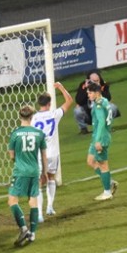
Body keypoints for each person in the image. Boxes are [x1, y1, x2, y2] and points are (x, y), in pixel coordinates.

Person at [31, 82, 73, 221]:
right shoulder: (54, 114)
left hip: (39, 154)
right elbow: (69, 101)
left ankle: (40, 214)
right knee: (51, 178)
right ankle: (50, 207)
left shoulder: (33, 118)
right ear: (49, 104)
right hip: (53, 153)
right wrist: (61, 87)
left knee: (38, 183)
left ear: (39, 104)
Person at [7, 105, 48, 246]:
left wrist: (18, 160)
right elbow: (44, 155)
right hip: (34, 171)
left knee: (12, 200)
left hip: (20, 171)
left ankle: (24, 228)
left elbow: (11, 155)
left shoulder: (15, 134)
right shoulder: (39, 133)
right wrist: (44, 172)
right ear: (32, 117)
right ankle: (33, 234)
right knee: (33, 201)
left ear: (20, 116)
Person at [86, 82, 118, 201]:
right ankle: (109, 181)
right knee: (90, 161)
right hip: (98, 136)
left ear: (97, 93)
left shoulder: (99, 105)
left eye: (90, 93)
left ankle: (107, 192)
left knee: (103, 165)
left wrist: (98, 140)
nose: (88, 95)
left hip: (101, 138)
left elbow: (101, 123)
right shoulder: (104, 101)